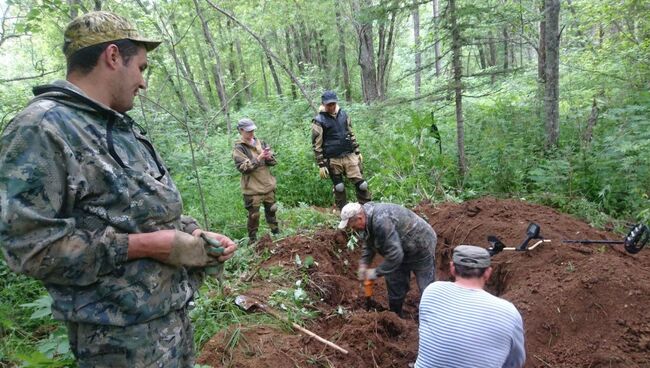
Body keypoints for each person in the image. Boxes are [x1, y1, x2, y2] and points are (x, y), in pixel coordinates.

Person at [0, 11, 237, 367]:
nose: (143, 82)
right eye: (141, 67)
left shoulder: (117, 126)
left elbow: (138, 210)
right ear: (113, 57)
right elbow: (28, 247)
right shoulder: (42, 128)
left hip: (167, 322)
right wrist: (143, 246)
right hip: (115, 342)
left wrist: (193, 233)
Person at [415, 245, 526, 368]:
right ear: (488, 273)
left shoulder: (432, 291)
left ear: (452, 268)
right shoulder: (509, 312)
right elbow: (515, 363)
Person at [338, 202, 436, 317]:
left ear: (359, 218)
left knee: (427, 289)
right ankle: (396, 317)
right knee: (395, 284)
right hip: (400, 247)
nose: (352, 229)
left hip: (421, 244)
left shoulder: (380, 221)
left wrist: (374, 273)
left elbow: (396, 256)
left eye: (352, 226)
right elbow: (369, 243)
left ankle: (433, 318)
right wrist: (364, 264)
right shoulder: (365, 219)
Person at [312, 91, 371, 210]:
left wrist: (357, 151)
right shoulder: (319, 120)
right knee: (339, 187)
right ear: (323, 104)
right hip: (332, 158)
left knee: (362, 185)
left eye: (333, 104)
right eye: (328, 104)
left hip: (349, 155)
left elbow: (351, 133)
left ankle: (367, 210)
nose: (331, 107)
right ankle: (343, 214)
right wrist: (321, 164)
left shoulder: (344, 114)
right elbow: (316, 144)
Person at [232, 118, 279, 242]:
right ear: (241, 131)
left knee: (272, 211)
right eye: (248, 131)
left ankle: (276, 235)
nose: (251, 133)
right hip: (252, 189)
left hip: (268, 185)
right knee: (254, 216)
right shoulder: (239, 148)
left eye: (253, 130)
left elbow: (273, 162)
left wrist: (269, 157)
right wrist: (258, 158)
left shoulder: (261, 142)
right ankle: (253, 241)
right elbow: (243, 168)